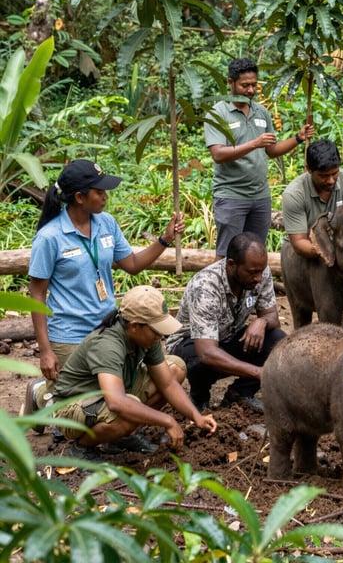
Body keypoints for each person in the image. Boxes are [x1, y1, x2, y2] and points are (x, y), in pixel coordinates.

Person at [27, 159, 184, 382]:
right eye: (99, 191)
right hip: (70, 335)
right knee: (98, 399)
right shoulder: (49, 238)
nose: (105, 196)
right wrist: (45, 351)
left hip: (108, 329)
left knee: (169, 374)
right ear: (80, 198)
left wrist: (164, 239)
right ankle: (41, 394)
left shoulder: (106, 223)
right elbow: (37, 295)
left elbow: (132, 264)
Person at [27, 285, 217, 460]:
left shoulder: (147, 337)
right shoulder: (107, 345)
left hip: (112, 391)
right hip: (73, 405)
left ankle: (122, 437)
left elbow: (167, 383)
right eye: (157, 331)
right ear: (134, 326)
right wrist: (167, 420)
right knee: (126, 409)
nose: (161, 336)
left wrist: (196, 416)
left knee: (175, 368)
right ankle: (81, 448)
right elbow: (117, 403)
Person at [165, 232, 286, 412]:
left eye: (261, 271)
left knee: (277, 340)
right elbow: (207, 352)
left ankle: (240, 393)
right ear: (231, 265)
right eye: (253, 272)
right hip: (191, 344)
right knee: (199, 361)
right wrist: (258, 372)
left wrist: (261, 322)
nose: (259, 278)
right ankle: (199, 399)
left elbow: (272, 317)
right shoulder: (205, 286)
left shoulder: (260, 272)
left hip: (228, 336)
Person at [206, 58, 314, 258]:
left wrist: (298, 138)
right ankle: (221, 289)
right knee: (228, 255)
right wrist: (254, 143)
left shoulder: (261, 112)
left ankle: (252, 290)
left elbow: (272, 150)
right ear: (230, 83)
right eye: (245, 85)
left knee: (255, 252)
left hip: (260, 196)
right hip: (231, 196)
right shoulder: (218, 114)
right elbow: (218, 154)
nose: (250, 90)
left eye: (254, 85)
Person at [281, 138, 343, 259]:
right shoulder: (294, 194)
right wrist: (331, 252)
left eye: (335, 173)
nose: (331, 180)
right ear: (309, 170)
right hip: (305, 251)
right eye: (324, 176)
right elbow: (299, 243)